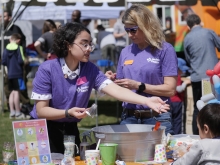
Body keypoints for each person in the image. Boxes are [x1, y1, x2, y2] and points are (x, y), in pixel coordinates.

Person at [29, 22, 169, 154]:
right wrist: (68, 112)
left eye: (90, 44)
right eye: (84, 44)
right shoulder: (47, 69)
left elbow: (117, 90)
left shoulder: (90, 69)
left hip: (70, 128)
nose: (89, 49)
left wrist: (147, 101)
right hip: (43, 129)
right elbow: (41, 111)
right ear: (68, 45)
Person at [106, 4, 178, 135]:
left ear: (146, 25)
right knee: (127, 155)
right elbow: (122, 88)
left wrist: (139, 86)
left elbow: (170, 89)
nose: (129, 35)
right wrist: (112, 81)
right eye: (126, 30)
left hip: (157, 117)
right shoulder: (125, 52)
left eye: (133, 30)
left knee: (159, 155)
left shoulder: (164, 50)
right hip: (129, 117)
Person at [183, 14, 220, 135]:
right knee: (213, 106)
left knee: (197, 107)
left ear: (188, 26)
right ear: (200, 22)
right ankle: (214, 133)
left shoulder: (187, 38)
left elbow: (188, 59)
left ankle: (196, 135)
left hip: (197, 77)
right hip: (211, 78)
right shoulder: (209, 32)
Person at [0, 10, 32, 114]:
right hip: (5, 62)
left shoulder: (15, 29)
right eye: (0, 16)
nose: (1, 18)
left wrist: (22, 56)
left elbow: (23, 41)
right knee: (7, 85)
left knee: (20, 84)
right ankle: (11, 107)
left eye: (3, 16)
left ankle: (25, 104)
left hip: (16, 63)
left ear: (9, 18)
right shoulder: (0, 29)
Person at [2, 33, 26, 119]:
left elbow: (3, 61)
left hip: (10, 73)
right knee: (17, 92)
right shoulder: (19, 48)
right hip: (17, 73)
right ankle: (18, 112)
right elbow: (21, 60)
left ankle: (12, 112)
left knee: (12, 92)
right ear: (18, 40)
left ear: (10, 40)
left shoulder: (5, 49)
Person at [170, 58, 191, 134]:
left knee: (171, 120)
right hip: (177, 101)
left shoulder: (169, 75)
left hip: (170, 101)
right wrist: (185, 83)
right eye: (182, 69)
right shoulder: (176, 76)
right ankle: (178, 136)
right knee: (178, 121)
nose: (183, 72)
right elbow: (178, 89)